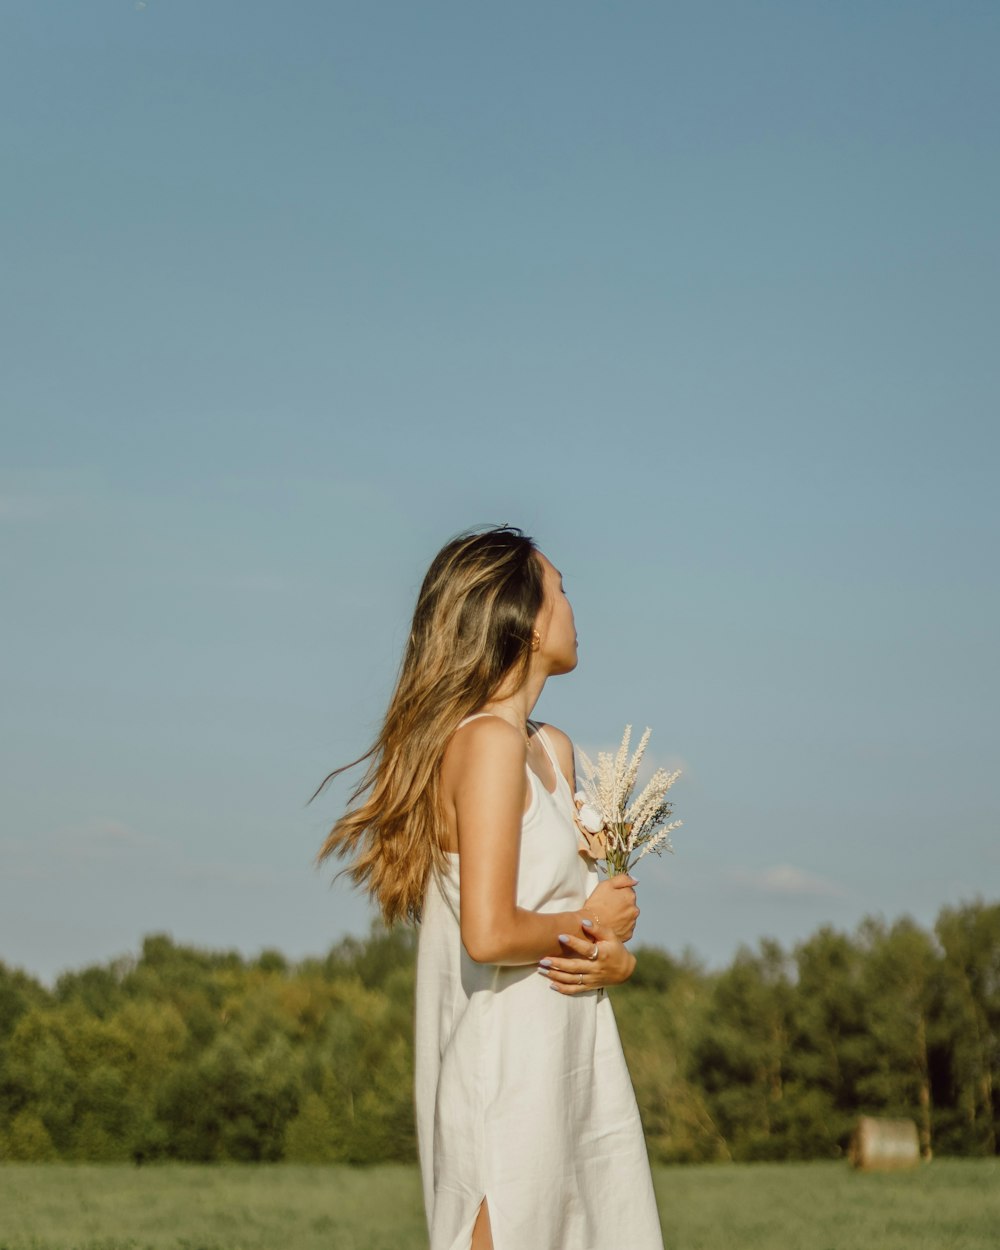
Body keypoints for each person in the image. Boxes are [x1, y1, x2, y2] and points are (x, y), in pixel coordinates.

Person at [315, 525, 664, 1250]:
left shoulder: (549, 748)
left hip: (575, 1062)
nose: (572, 605)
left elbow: (560, 922)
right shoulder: (486, 744)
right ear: (526, 622)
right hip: (507, 1071)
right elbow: (491, 932)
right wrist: (588, 915)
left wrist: (614, 957)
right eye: (560, 589)